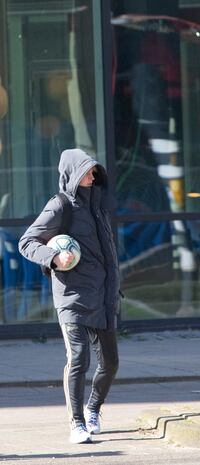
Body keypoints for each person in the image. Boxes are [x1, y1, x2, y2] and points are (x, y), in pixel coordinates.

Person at [19, 148, 120, 444]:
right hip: (72, 297)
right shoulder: (60, 205)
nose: (92, 176)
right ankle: (76, 423)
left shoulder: (99, 206)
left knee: (111, 363)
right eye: (88, 171)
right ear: (73, 174)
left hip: (104, 296)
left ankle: (92, 410)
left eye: (94, 172)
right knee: (78, 358)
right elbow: (27, 241)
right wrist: (53, 257)